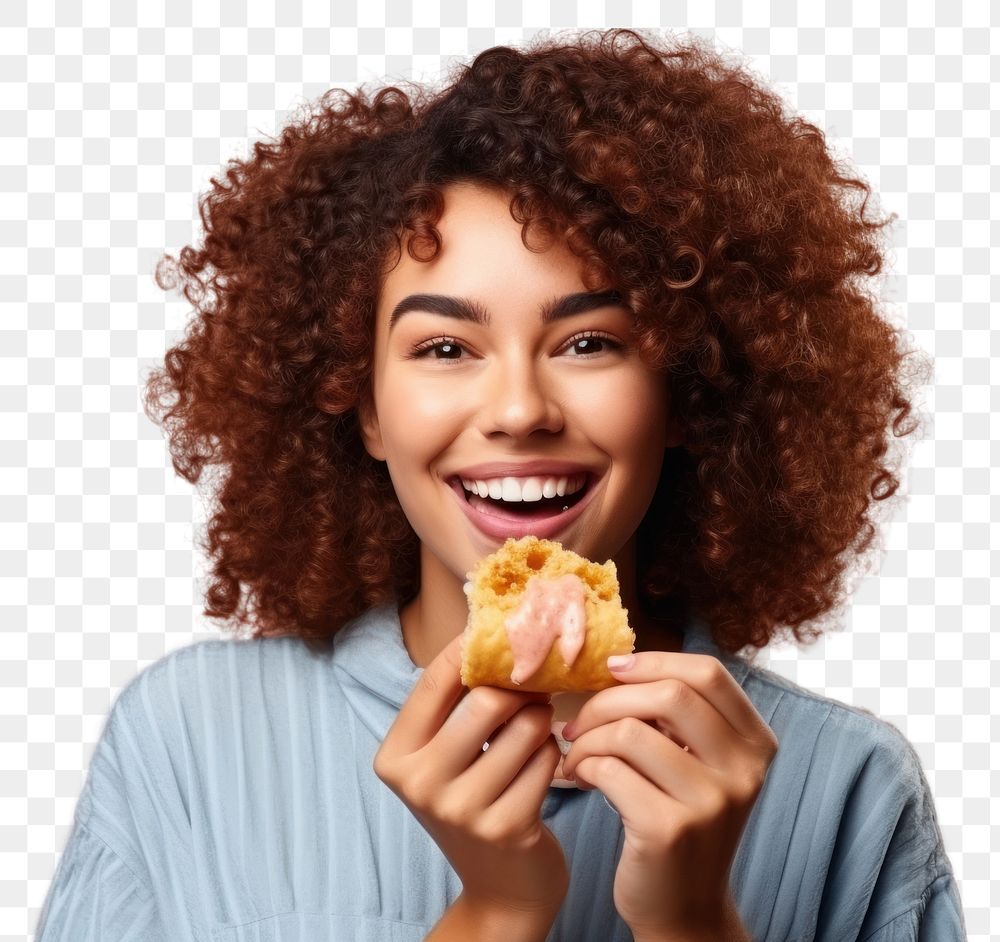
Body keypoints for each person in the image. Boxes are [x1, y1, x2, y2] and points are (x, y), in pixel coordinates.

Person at [36, 28, 966, 942]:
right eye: (444, 348)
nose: (520, 409)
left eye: (590, 343)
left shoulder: (849, 788)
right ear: (362, 405)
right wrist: (494, 914)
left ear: (684, 392)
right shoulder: (188, 742)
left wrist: (691, 921)